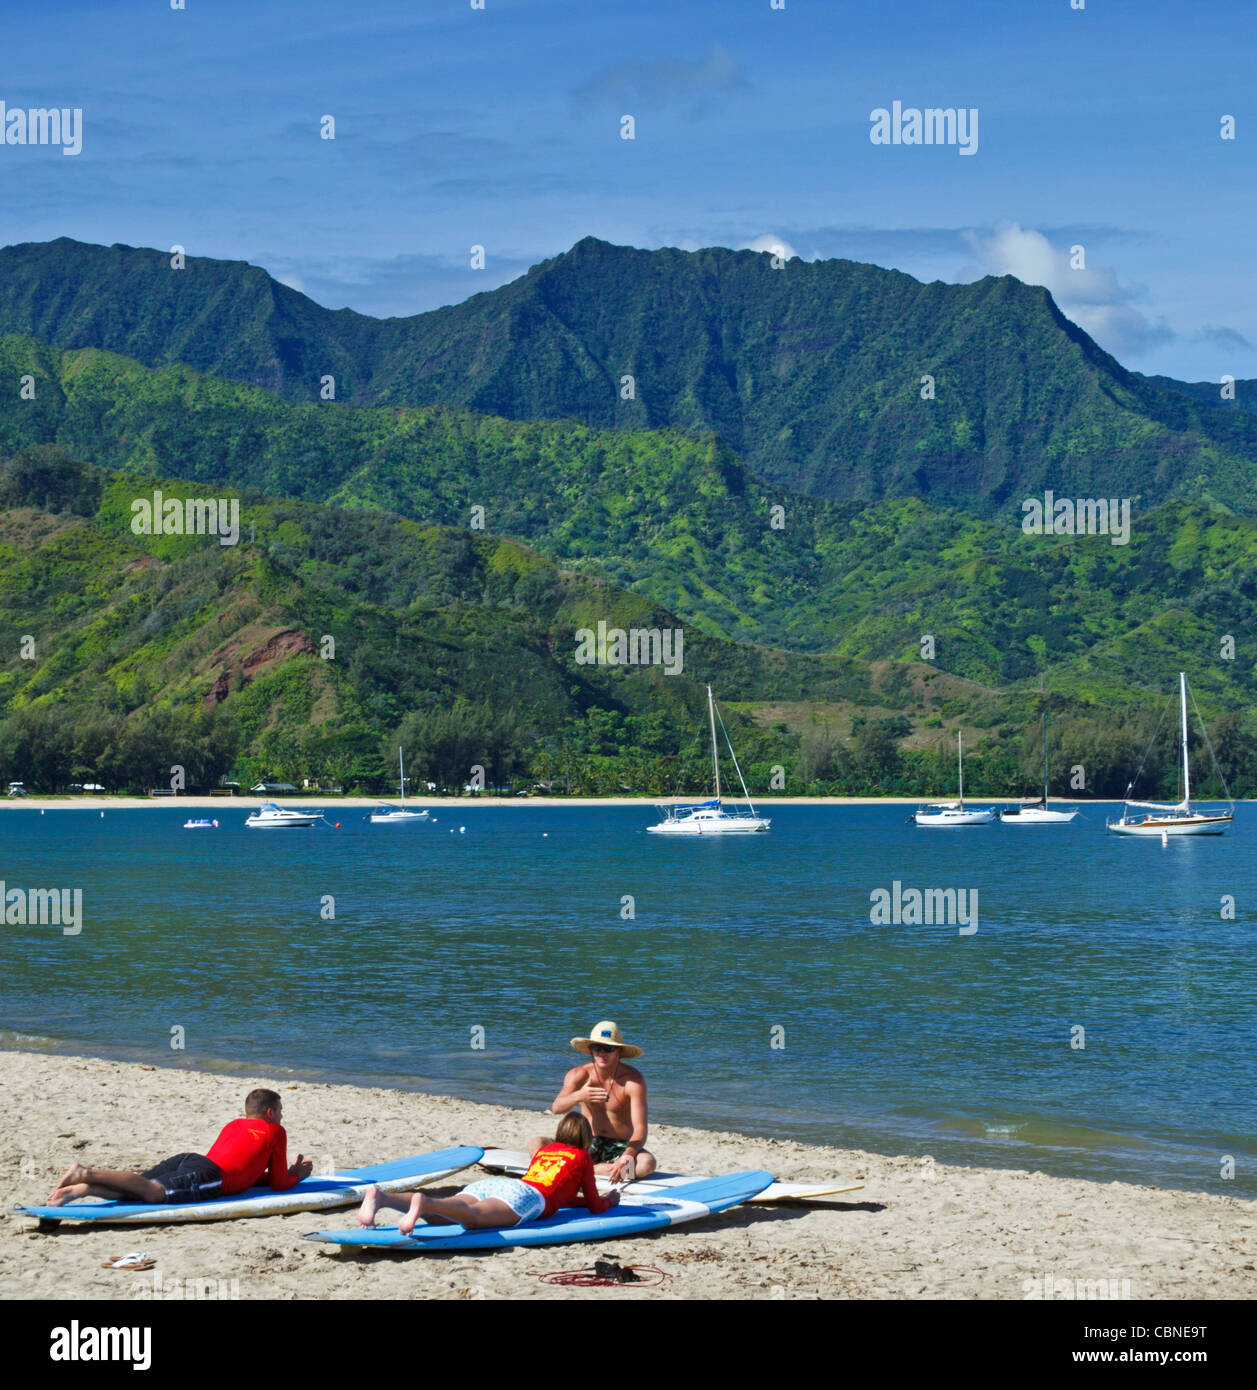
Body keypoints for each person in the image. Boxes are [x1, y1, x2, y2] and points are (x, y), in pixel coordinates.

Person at [357, 1112, 616, 1235]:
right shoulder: (581, 1157)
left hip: (497, 1185)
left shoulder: (545, 1151)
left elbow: (563, 1196)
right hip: (525, 1198)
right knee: (473, 1219)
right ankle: (423, 1201)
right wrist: (609, 1200)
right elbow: (595, 1205)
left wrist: (578, 1201)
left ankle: (382, 1198)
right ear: (585, 1138)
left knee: (442, 1215)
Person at [44, 1088, 312, 1206]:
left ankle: (84, 1189)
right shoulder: (276, 1131)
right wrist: (295, 1176)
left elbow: (248, 1172)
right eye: (279, 1111)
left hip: (190, 1161)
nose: (281, 1116)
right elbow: (278, 1184)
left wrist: (279, 1175)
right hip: (211, 1176)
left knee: (137, 1188)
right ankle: (86, 1173)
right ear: (269, 1112)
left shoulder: (233, 1124)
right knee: (151, 1193)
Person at [538, 1020, 655, 1183]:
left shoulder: (633, 1081)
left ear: (618, 1051)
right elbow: (557, 1108)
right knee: (537, 1143)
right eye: (597, 1048)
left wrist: (627, 1155)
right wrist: (580, 1095)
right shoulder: (579, 1075)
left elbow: (640, 1128)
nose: (602, 1053)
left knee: (646, 1164)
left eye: (608, 1048)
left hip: (620, 1145)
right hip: (586, 1140)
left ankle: (581, 1169)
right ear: (590, 1050)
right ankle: (596, 1168)